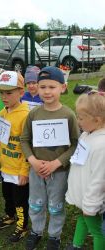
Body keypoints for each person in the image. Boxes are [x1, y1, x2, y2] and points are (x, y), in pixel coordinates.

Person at [20, 66, 80, 250]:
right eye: (43, 87)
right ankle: (36, 231)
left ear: (63, 87)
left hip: (59, 172)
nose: (47, 91)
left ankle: (54, 236)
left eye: (52, 87)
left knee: (56, 205)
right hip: (36, 171)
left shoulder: (68, 115)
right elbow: (24, 139)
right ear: (37, 88)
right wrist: (33, 160)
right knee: (36, 203)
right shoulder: (34, 114)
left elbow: (76, 144)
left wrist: (57, 162)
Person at [0, 71, 30, 243]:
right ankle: (10, 215)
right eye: (1, 92)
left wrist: (24, 171)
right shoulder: (2, 113)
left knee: (20, 200)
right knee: (7, 195)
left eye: (9, 92)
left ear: (21, 92)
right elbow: (1, 140)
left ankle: (22, 227)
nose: (4, 97)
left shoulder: (26, 116)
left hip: (19, 170)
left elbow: (30, 148)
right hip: (6, 167)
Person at [65, 90, 105, 250]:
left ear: (97, 119)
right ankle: (76, 245)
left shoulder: (101, 145)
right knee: (82, 219)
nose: (78, 122)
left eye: (81, 118)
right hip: (83, 196)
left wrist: (90, 204)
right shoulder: (87, 135)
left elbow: (99, 179)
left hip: (91, 199)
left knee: (97, 231)